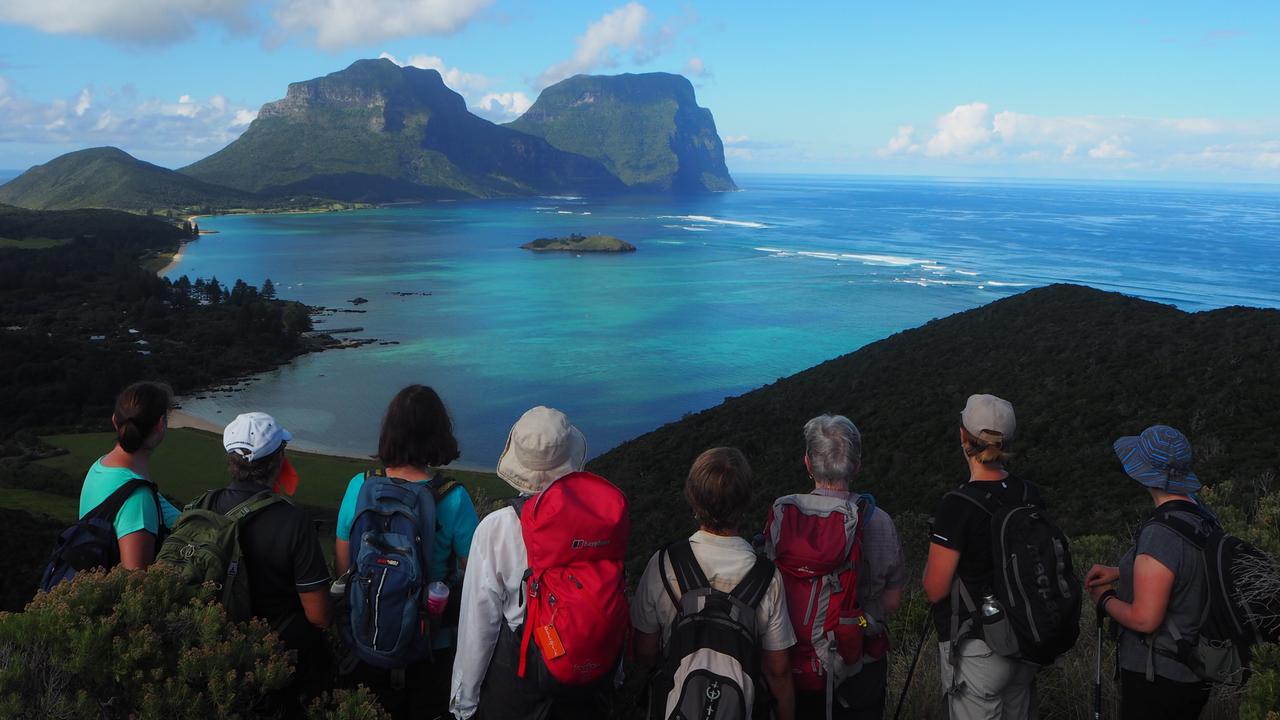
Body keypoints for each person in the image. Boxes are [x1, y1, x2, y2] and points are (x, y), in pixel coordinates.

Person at [451, 406, 620, 720]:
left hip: (519, 682)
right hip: (588, 682)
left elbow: (478, 623)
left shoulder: (497, 527)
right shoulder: (601, 521)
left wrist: (464, 703)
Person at [334, 385, 477, 719]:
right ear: (439, 433)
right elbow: (476, 579)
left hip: (366, 636)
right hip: (429, 646)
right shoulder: (453, 497)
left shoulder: (359, 486)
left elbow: (344, 567)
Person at [633, 447, 797, 720]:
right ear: (745, 501)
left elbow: (645, 651)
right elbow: (777, 670)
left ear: (692, 498)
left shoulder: (664, 563)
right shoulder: (767, 577)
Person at [776, 415, 906, 720]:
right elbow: (893, 600)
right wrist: (860, 622)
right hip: (859, 665)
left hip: (796, 667)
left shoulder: (785, 520)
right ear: (857, 465)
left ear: (808, 463)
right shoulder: (879, 521)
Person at [922, 394, 1042, 719]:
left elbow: (935, 589)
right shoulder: (1030, 493)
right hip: (1027, 640)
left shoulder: (957, 505)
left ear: (964, 436)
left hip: (980, 649)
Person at [1085, 425, 1213, 720]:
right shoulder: (1201, 516)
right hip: (1192, 671)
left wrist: (1104, 599)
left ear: (1143, 473)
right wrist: (1121, 572)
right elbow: (1179, 569)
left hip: (1159, 676)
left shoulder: (1160, 533)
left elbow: (1145, 619)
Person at [210, 412, 332, 713]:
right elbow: (319, 616)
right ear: (278, 459)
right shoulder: (294, 521)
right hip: (279, 658)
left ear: (231, 459)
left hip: (215, 648)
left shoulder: (206, 505)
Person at [77, 380, 181, 569]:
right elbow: (135, 582)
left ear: (115, 421)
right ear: (160, 425)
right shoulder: (137, 498)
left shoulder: (100, 467)